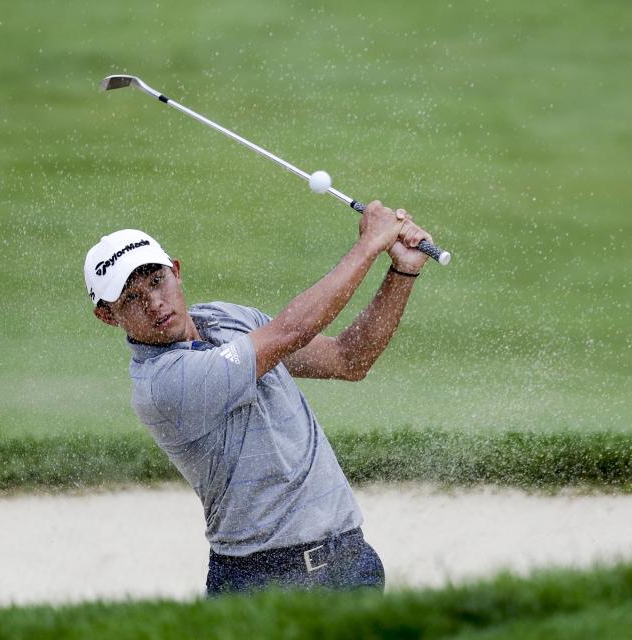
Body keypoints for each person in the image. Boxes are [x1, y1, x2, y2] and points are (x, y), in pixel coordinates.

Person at [84, 200, 433, 595]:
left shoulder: (227, 318)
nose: (154, 303)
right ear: (107, 315)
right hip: (263, 583)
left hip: (350, 562)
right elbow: (290, 331)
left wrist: (403, 269)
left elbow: (348, 359)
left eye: (156, 281)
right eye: (130, 298)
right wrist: (370, 244)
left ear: (176, 272)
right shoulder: (162, 385)